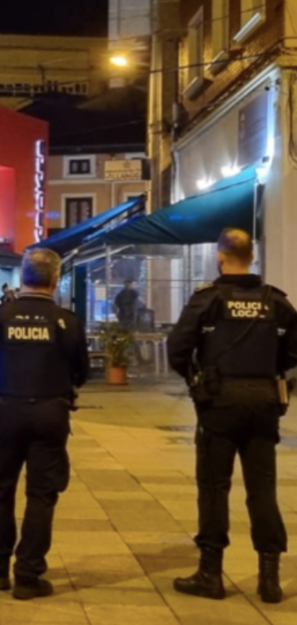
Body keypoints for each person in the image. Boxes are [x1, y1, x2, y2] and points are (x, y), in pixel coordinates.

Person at [167, 228, 297, 604]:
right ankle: (269, 578)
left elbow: (177, 347)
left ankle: (210, 574)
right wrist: (276, 378)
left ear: (220, 258)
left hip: (218, 406)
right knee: (263, 490)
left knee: (213, 489)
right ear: (252, 257)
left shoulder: (207, 300)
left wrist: (194, 381)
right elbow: (294, 353)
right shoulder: (277, 302)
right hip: (262, 406)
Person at [0, 247, 88, 601]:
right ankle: (28, 574)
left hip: (7, 409)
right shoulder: (67, 321)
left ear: (22, 278)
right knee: (41, 495)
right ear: (55, 281)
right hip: (50, 413)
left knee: (0, 488)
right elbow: (81, 371)